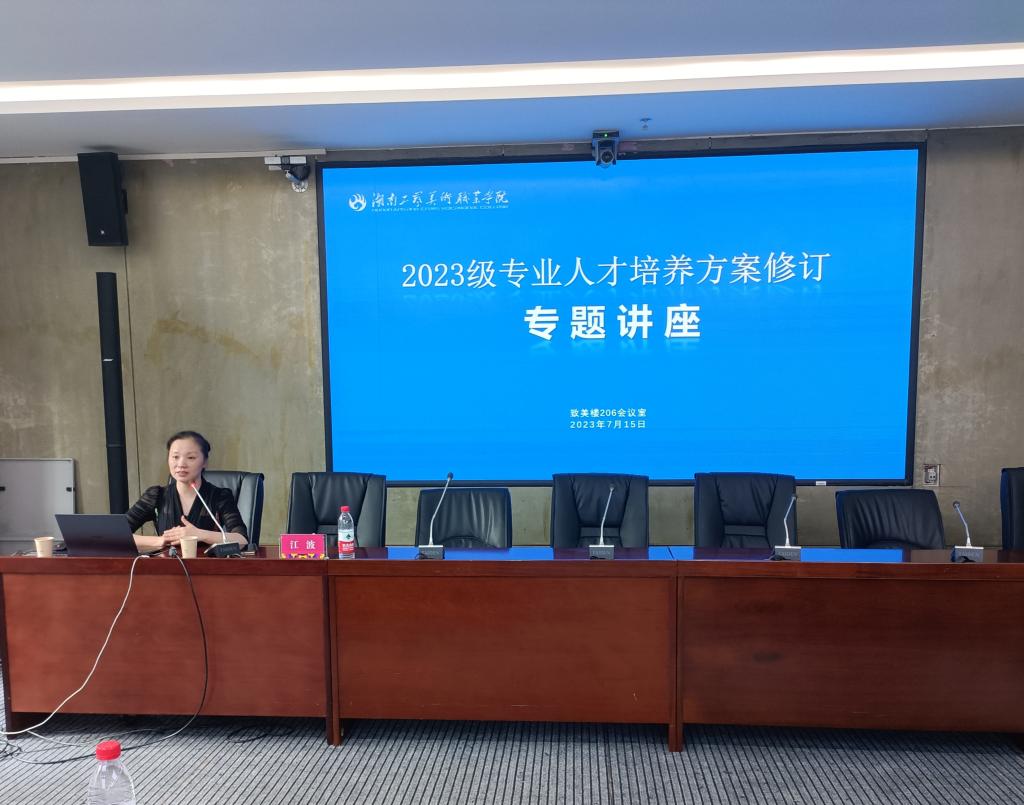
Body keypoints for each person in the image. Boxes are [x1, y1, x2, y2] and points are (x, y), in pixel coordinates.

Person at [126, 430, 248, 553]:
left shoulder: (220, 496)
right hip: (166, 564)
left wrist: (200, 534)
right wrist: (159, 541)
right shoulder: (156, 495)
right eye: (175, 457)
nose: (181, 464)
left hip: (207, 564)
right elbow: (118, 535)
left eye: (190, 457)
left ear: (205, 462)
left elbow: (242, 540)